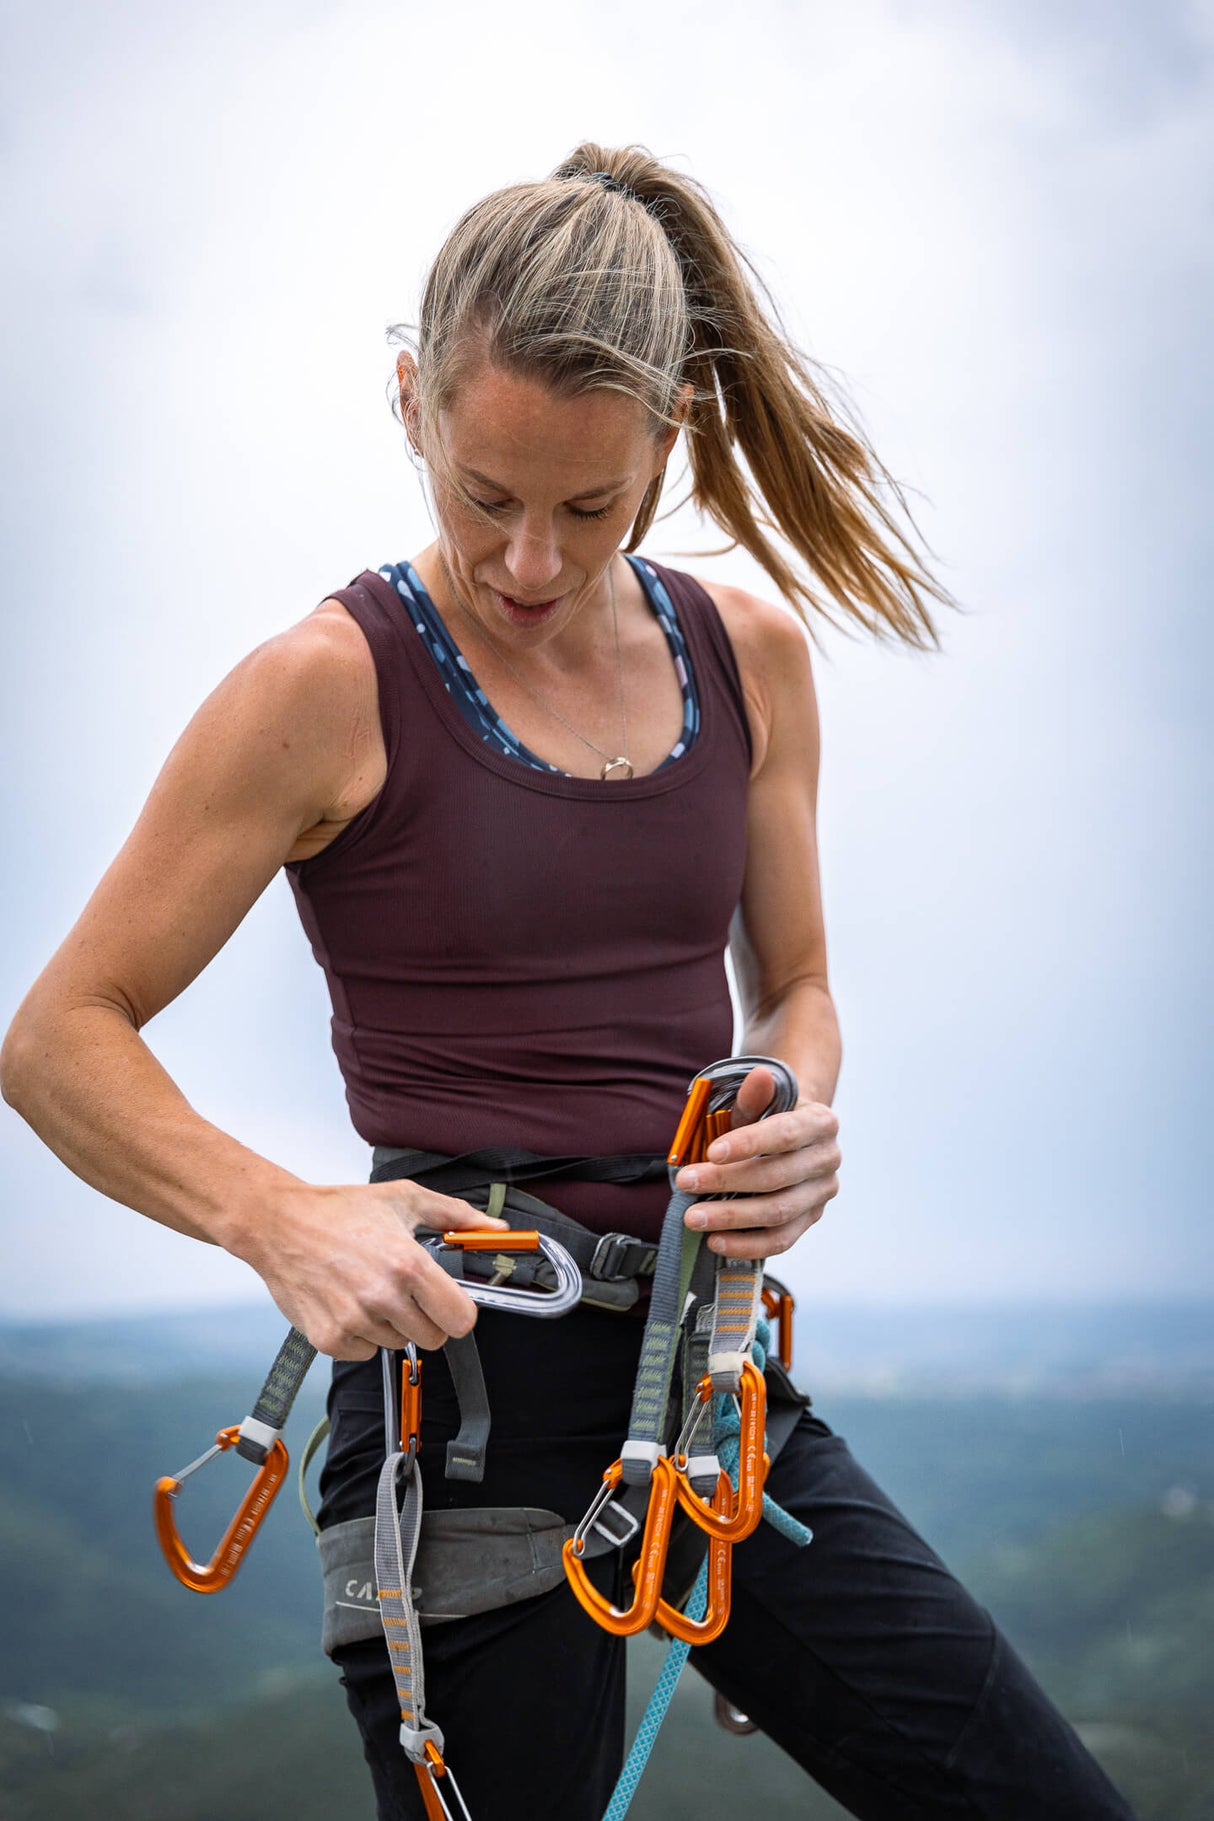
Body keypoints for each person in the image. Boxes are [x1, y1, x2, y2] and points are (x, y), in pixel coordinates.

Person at [0, 145, 1135, 1821]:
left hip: (712, 1388)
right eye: (484, 495)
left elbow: (798, 984)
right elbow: (54, 1039)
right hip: (455, 1421)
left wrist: (799, 1107)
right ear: (408, 402)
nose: (528, 560)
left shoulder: (748, 660)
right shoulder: (323, 686)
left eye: (590, 508)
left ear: (672, 433)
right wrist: (280, 1213)